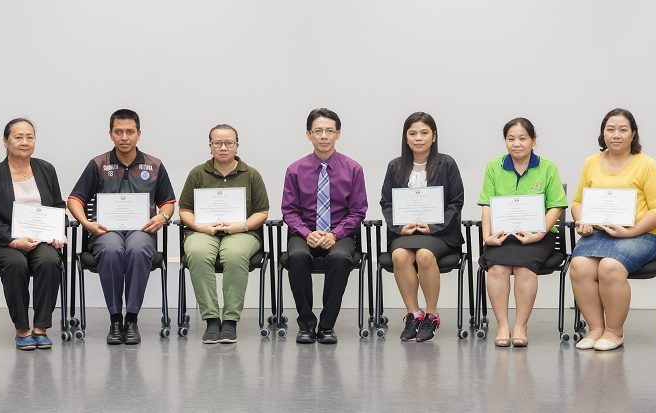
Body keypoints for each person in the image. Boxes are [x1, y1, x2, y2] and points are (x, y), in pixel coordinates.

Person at [68, 109, 176, 345]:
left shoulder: (154, 165)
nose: (124, 137)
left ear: (139, 134)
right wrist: (86, 223)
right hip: (106, 231)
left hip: (141, 231)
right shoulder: (98, 164)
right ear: (110, 134)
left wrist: (162, 217)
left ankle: (132, 319)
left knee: (137, 250)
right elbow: (75, 199)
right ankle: (115, 319)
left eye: (129, 132)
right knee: (111, 250)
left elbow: (168, 202)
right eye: (118, 132)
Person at [570, 108, 656, 351]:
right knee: (579, 265)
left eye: (623, 130)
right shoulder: (591, 162)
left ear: (633, 134)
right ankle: (595, 329)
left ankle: (614, 332)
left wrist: (631, 231)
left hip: (643, 235)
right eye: (610, 129)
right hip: (600, 234)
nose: (616, 135)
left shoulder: (646, 164)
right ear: (603, 133)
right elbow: (577, 202)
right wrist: (583, 220)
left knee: (610, 266)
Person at [477, 118, 567, 347]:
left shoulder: (547, 167)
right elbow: (486, 204)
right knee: (497, 268)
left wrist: (539, 233)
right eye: (511, 139)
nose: (516, 143)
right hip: (502, 234)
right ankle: (502, 325)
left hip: (538, 236)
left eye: (522, 138)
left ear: (533, 141)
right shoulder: (494, 166)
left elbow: (556, 205)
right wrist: (486, 236)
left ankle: (520, 326)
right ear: (505, 141)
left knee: (524, 268)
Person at [281, 108, 368, 344]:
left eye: (329, 131)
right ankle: (306, 325)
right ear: (308, 134)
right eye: (318, 131)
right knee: (297, 257)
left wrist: (335, 234)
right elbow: (289, 210)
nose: (324, 136)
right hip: (305, 232)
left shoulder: (353, 169)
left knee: (340, 258)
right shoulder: (295, 170)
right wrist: (306, 233)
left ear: (337, 134)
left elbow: (358, 210)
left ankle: (327, 326)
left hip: (340, 233)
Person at [0, 118, 66, 350]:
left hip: (41, 239)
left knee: (49, 261)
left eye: (30, 137)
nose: (25, 142)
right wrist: (13, 241)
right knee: (16, 263)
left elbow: (58, 206)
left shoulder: (46, 169)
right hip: (4, 241)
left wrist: (58, 231)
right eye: (18, 137)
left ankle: (41, 327)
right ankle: (22, 329)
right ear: (5, 142)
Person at [179, 124, 270, 344]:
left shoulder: (251, 174)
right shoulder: (197, 173)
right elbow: (184, 210)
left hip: (242, 232)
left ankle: (230, 320)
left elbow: (262, 212)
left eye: (229, 143)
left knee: (234, 255)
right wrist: (200, 227)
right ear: (210, 146)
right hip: (203, 231)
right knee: (198, 253)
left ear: (237, 146)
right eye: (217, 143)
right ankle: (211, 319)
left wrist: (241, 226)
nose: (223, 147)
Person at [380, 112, 464, 342]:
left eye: (424, 133)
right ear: (406, 138)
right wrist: (400, 227)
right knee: (399, 256)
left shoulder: (447, 163)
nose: (418, 138)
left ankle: (432, 315)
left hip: (439, 233)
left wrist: (434, 226)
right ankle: (414, 314)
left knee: (425, 255)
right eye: (413, 133)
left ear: (433, 136)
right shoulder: (395, 166)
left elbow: (456, 202)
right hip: (405, 232)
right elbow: (386, 203)